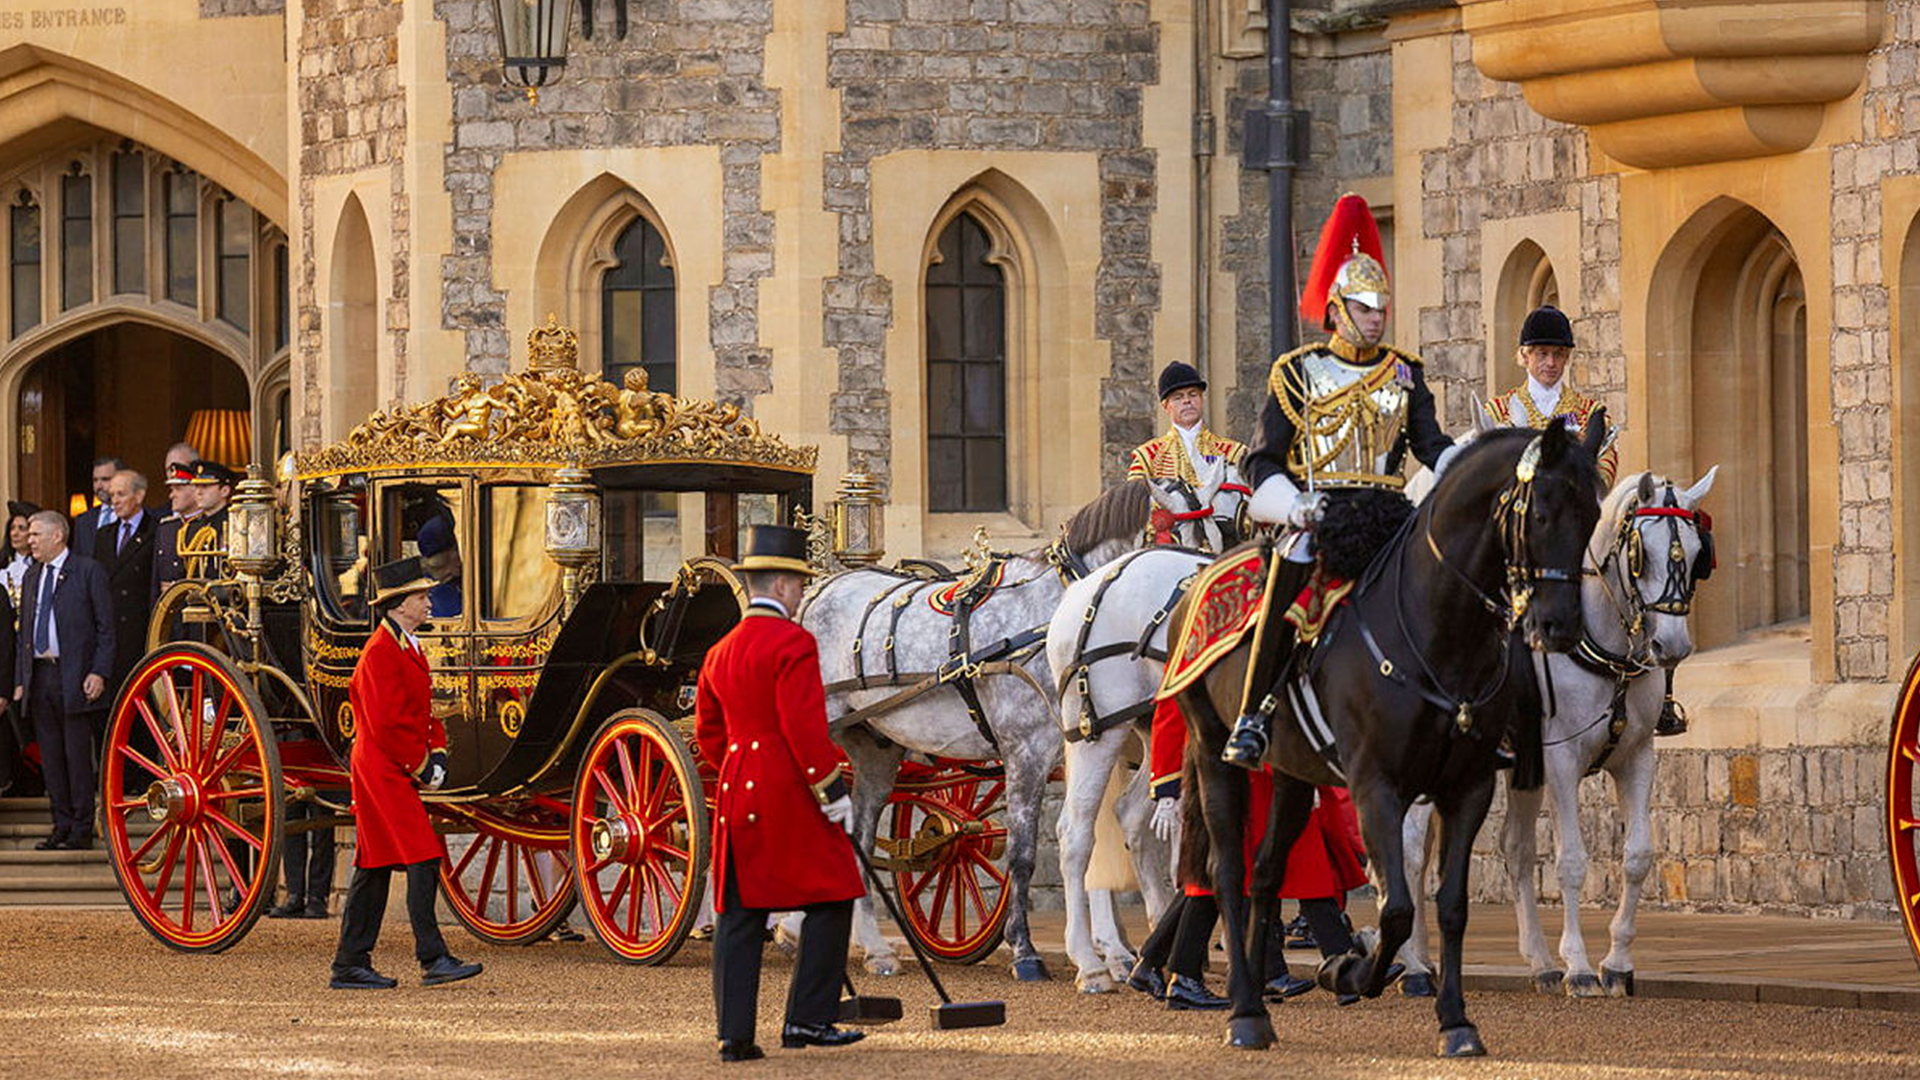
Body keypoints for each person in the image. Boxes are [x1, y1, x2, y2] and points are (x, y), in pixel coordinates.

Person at [1222, 193, 1453, 768]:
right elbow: (1263, 459)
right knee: (1286, 577)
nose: (1377, 315)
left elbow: (1431, 447)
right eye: (1365, 306)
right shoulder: (1297, 372)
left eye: (1381, 306)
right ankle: (1253, 715)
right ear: (1339, 307)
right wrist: (1294, 505)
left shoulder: (1405, 372)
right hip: (1317, 516)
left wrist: (1465, 464)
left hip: (1389, 515)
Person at [694, 525, 865, 1063]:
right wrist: (831, 787)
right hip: (790, 785)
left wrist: (740, 766)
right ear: (785, 584)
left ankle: (734, 1035)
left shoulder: (720, 650)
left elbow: (708, 733)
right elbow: (802, 726)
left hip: (738, 786)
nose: (799, 594)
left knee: (742, 913)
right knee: (834, 894)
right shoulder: (793, 642)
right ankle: (808, 1020)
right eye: (799, 584)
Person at [330, 557, 482, 990]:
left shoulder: (406, 645)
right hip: (382, 768)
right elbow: (387, 724)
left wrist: (435, 752)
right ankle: (432, 957)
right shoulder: (381, 651)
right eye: (420, 596)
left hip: (388, 765)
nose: (428, 601)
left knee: (374, 866)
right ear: (398, 606)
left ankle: (349, 963)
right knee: (423, 854)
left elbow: (422, 714)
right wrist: (420, 765)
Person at [12, 511, 114, 850]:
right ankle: (61, 824)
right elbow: (23, 632)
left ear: (58, 536)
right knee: (50, 758)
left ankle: (82, 828)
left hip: (76, 676)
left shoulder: (88, 571)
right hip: (40, 677)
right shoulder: (31, 576)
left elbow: (106, 629)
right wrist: (20, 678)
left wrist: (99, 671)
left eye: (36, 534)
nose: (30, 540)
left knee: (76, 756)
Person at [1484, 305, 1619, 486]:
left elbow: (1605, 468)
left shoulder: (1590, 413)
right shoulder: (1498, 412)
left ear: (1567, 358)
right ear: (1525, 355)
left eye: (1559, 354)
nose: (1551, 363)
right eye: (1542, 353)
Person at [95, 469, 157, 699]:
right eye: (112, 495)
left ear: (139, 496)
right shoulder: (103, 535)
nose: (114, 501)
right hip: (109, 633)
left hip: (139, 632)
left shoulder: (156, 530)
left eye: (120, 494)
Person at [151, 461, 202, 606]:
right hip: (169, 612)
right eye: (171, 489)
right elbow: (155, 581)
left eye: (178, 489)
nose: (171, 495)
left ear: (195, 489)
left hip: (195, 608)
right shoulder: (166, 527)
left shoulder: (206, 526)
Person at [69, 456, 125, 560]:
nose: (99, 486)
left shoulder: (136, 515)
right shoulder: (83, 521)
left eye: (105, 479)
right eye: (95, 480)